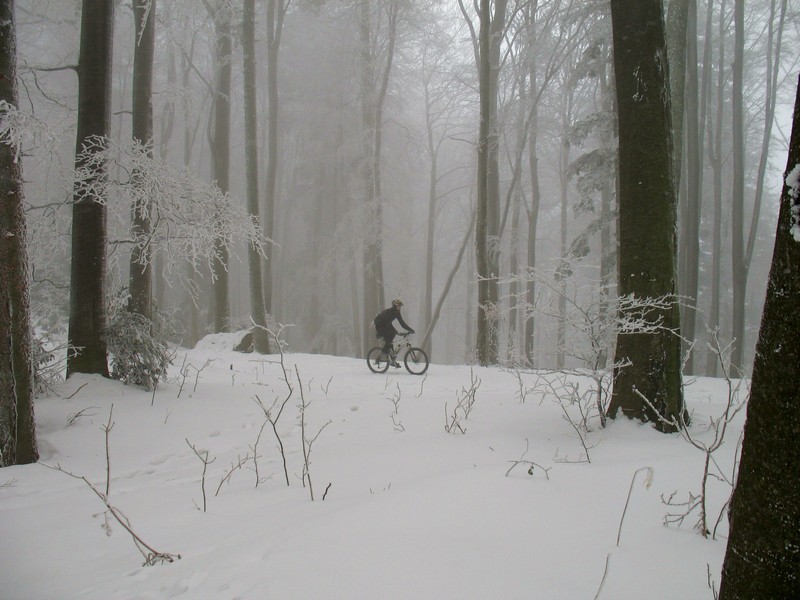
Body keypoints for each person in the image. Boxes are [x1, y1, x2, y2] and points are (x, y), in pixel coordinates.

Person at [373, 299, 415, 367]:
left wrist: (410, 330)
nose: (400, 307)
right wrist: (396, 331)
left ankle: (392, 359)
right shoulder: (389, 312)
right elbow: (387, 323)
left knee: (391, 339)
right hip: (380, 326)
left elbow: (402, 323)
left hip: (385, 325)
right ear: (395, 306)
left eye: (400, 306)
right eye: (399, 306)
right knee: (390, 337)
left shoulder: (397, 313)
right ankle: (382, 356)